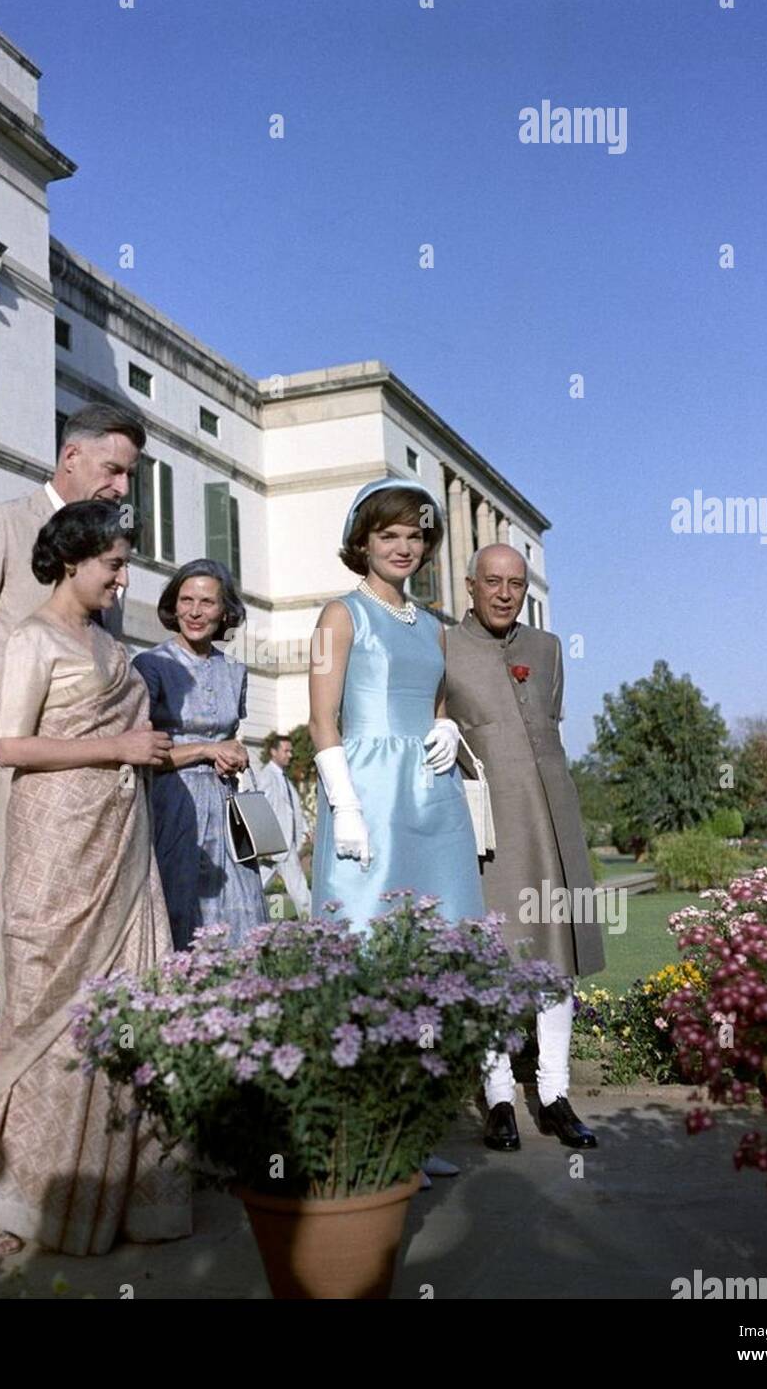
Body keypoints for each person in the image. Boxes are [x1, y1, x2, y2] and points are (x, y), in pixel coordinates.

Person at [0, 500, 191, 1258]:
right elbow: (12, 746)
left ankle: (121, 1193)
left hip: (121, 840)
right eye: (114, 565)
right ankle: (19, 1200)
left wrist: (148, 752)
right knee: (50, 1012)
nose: (124, 580)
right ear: (72, 559)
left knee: (132, 1002)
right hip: (56, 846)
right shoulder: (32, 638)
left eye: (125, 564)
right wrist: (116, 747)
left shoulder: (108, 642)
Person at [0, 403, 146, 1006]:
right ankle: (27, 1080)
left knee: (98, 935)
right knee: (37, 932)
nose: (122, 487)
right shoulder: (0, 527)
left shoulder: (108, 552)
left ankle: (92, 1080)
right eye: (114, 469)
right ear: (71, 456)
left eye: (129, 476)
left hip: (99, 779)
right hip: (22, 770)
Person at [308, 478, 484, 1188]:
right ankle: (355, 1130)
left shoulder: (435, 624)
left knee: (431, 959)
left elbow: (439, 700)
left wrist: (447, 725)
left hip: (432, 797)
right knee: (367, 950)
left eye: (416, 536)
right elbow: (323, 720)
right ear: (363, 542)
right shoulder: (339, 616)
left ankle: (411, 1129)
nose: (404, 547)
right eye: (390, 535)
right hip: (369, 794)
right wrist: (344, 806)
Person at [445, 543, 606, 1153]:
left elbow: (551, 723)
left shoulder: (548, 648)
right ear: (470, 585)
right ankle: (498, 1100)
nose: (505, 593)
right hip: (485, 827)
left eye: (515, 583)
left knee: (555, 959)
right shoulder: (443, 646)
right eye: (493, 581)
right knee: (494, 957)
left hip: (554, 818)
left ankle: (555, 1093)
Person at [132, 560, 266, 949]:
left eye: (207, 602)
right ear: (173, 607)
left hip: (226, 807)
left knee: (239, 905)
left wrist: (233, 753)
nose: (194, 611)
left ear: (225, 611)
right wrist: (208, 749)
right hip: (172, 801)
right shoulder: (151, 665)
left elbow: (231, 738)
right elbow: (142, 753)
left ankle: (238, 1000)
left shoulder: (235, 671)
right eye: (185, 600)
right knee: (180, 904)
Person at [255, 734, 312, 919]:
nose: (290, 755)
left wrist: (304, 829)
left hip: (286, 845)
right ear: (273, 752)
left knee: (298, 888)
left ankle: (311, 922)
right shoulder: (266, 777)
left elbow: (292, 808)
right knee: (257, 886)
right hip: (275, 844)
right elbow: (260, 810)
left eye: (291, 751)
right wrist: (263, 844)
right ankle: (312, 923)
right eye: (286, 751)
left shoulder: (284, 778)